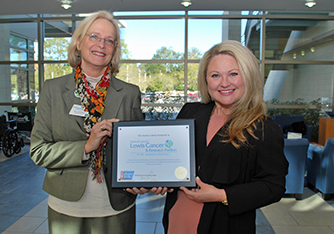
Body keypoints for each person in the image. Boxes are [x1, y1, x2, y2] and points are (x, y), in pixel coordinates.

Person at [30, 11, 144, 234]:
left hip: (116, 207)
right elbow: (39, 151)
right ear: (79, 42)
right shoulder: (52, 90)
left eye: (109, 40)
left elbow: (136, 152)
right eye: (94, 37)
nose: (101, 45)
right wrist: (86, 147)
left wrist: (147, 177)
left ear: (114, 49)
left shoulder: (130, 93)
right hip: (66, 206)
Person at [160, 40, 289, 234]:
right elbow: (170, 160)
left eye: (233, 74)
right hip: (177, 220)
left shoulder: (262, 128)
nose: (224, 83)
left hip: (224, 225)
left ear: (248, 76)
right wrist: (157, 179)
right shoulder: (190, 112)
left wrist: (222, 195)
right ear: (206, 80)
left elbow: (274, 186)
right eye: (215, 75)